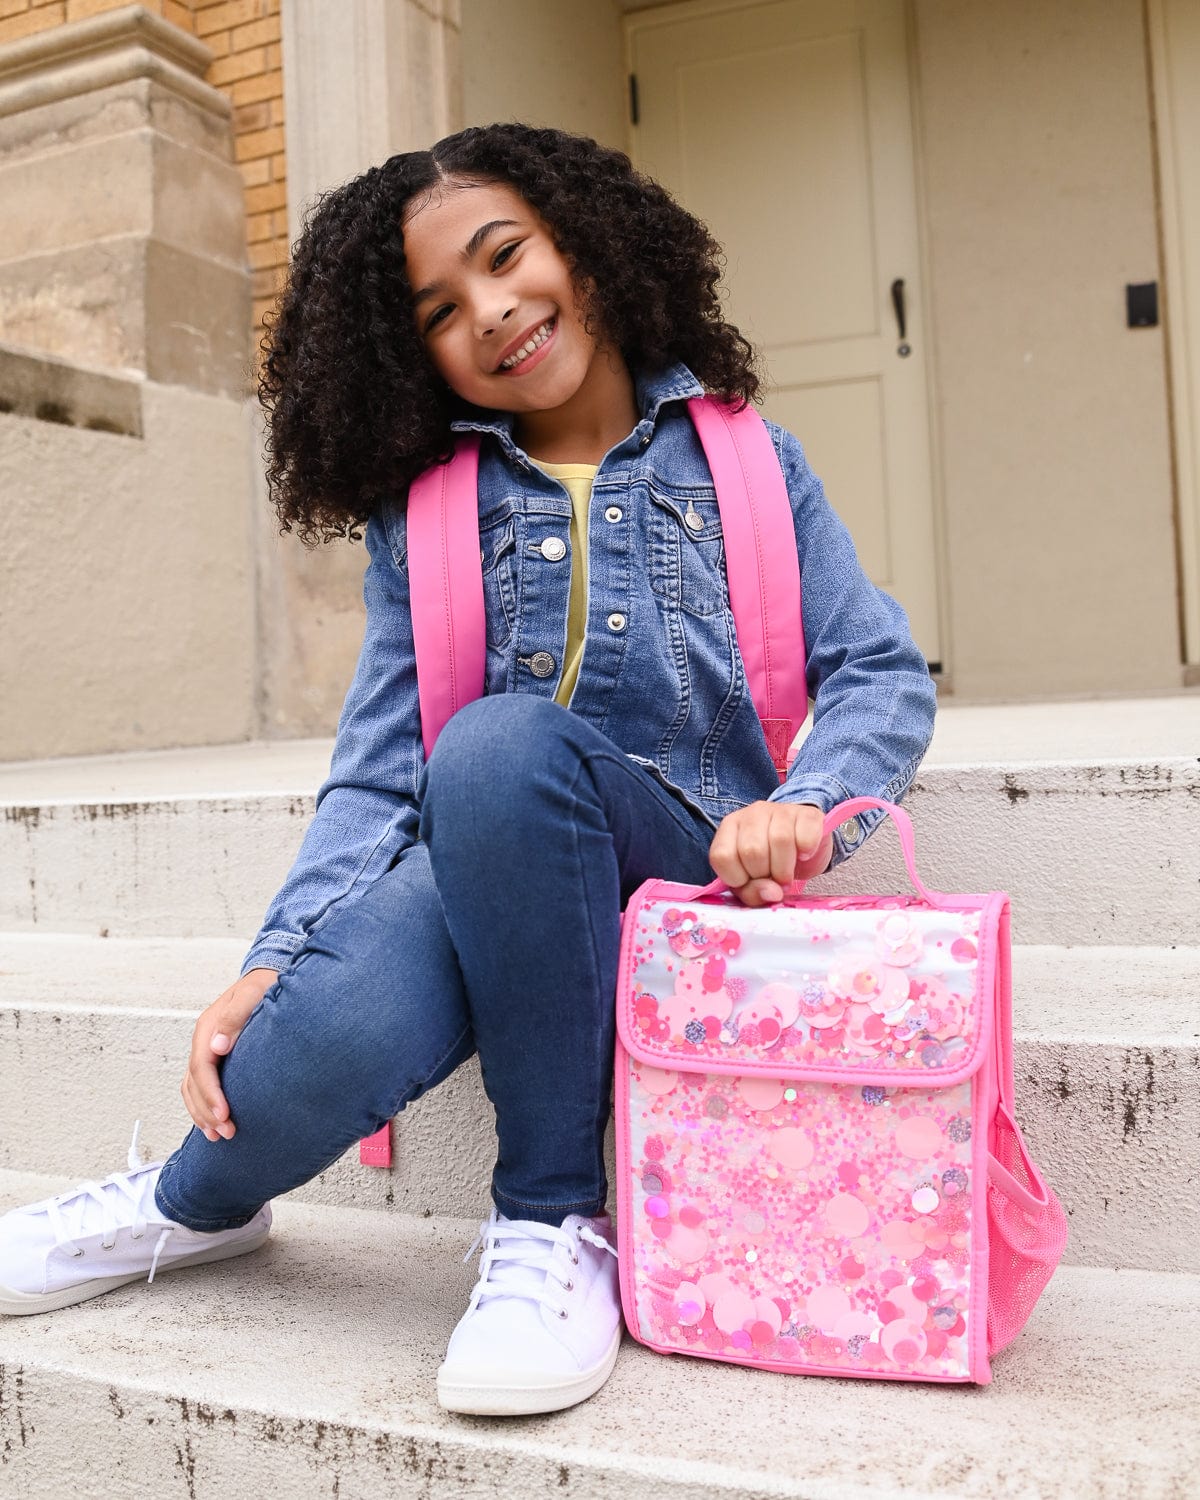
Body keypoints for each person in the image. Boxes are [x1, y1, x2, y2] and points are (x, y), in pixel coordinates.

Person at [0, 124, 936, 1416]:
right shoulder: (433, 513)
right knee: (289, 1050)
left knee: (493, 750)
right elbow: (380, 775)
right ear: (414, 352)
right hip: (493, 875)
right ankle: (187, 1206)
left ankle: (554, 1220)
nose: (492, 313)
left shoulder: (744, 463)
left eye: (508, 259)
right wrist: (275, 957)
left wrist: (804, 810)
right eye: (442, 310)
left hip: (684, 892)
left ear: (588, 252)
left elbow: (880, 669)